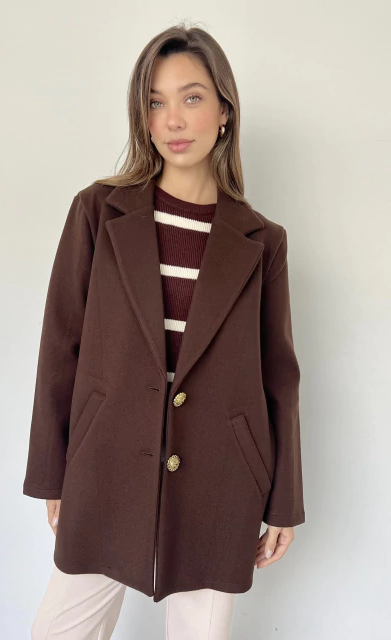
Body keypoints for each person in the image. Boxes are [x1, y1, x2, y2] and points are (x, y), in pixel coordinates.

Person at [24, 21, 305, 640]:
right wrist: (52, 472)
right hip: (104, 464)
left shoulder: (263, 241)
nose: (173, 119)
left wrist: (284, 499)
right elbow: (60, 346)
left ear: (225, 111)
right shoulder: (98, 211)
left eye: (192, 97)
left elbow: (278, 376)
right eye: (155, 102)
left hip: (220, 476)